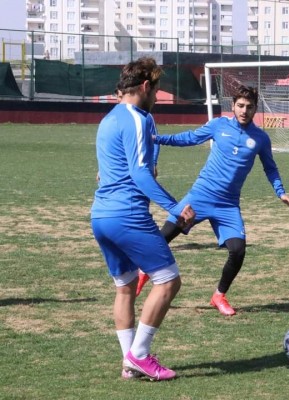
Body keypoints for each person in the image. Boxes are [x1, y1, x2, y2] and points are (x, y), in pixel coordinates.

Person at [136, 85, 289, 316]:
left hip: (228, 205)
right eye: (240, 106)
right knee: (164, 237)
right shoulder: (218, 125)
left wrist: (280, 192)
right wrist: (158, 139)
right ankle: (143, 271)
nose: (244, 111)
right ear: (233, 105)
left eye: (249, 107)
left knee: (238, 250)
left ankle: (219, 295)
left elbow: (270, 168)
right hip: (199, 197)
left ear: (255, 109)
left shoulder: (261, 138)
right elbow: (189, 138)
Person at [91, 57, 196, 380]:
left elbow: (102, 173)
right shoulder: (137, 119)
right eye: (157, 90)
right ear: (146, 86)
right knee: (168, 281)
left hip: (101, 216)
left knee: (125, 287)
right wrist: (176, 208)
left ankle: (129, 363)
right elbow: (139, 174)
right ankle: (139, 355)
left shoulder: (108, 119)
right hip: (128, 216)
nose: (157, 97)